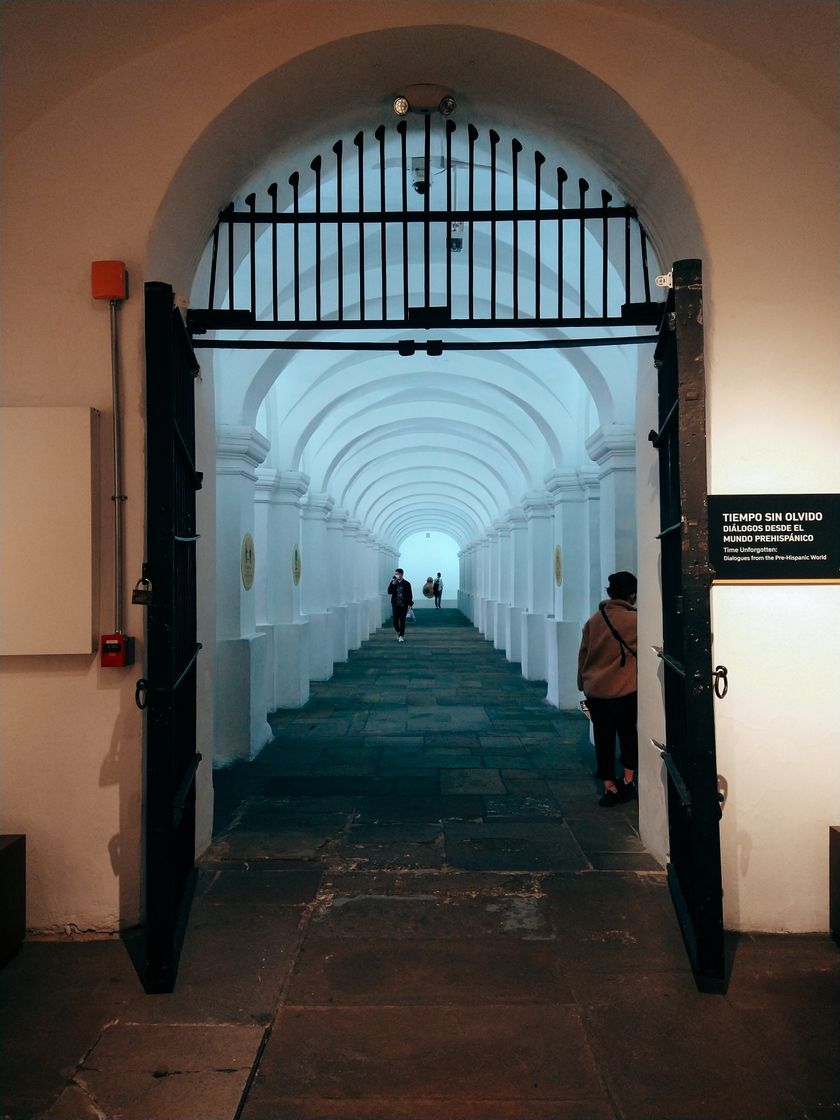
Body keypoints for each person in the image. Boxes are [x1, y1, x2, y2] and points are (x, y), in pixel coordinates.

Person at [577, 570, 638, 807]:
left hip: (597, 691)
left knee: (603, 739)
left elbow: (583, 654)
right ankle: (629, 779)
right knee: (628, 735)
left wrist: (582, 683)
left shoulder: (593, 621)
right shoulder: (635, 621)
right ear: (631, 594)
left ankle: (609, 786)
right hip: (625, 690)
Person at [386, 568, 414, 642]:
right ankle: (398, 631)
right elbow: (389, 592)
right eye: (395, 574)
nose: (396, 575)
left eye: (397, 574)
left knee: (402, 620)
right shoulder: (393, 582)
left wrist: (410, 604)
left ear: (401, 574)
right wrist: (393, 584)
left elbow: (410, 595)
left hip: (403, 605)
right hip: (395, 605)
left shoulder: (407, 584)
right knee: (395, 621)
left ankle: (401, 635)